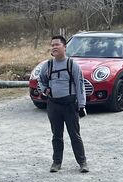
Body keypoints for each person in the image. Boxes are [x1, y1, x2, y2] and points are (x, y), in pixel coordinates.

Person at [38, 35, 89, 173]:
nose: (54, 47)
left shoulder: (72, 65)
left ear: (65, 47)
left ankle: (82, 162)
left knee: (75, 135)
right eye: (52, 45)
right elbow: (41, 81)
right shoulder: (47, 65)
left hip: (70, 105)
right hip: (53, 105)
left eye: (57, 45)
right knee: (56, 136)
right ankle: (56, 162)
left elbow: (80, 85)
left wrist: (82, 105)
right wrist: (44, 89)